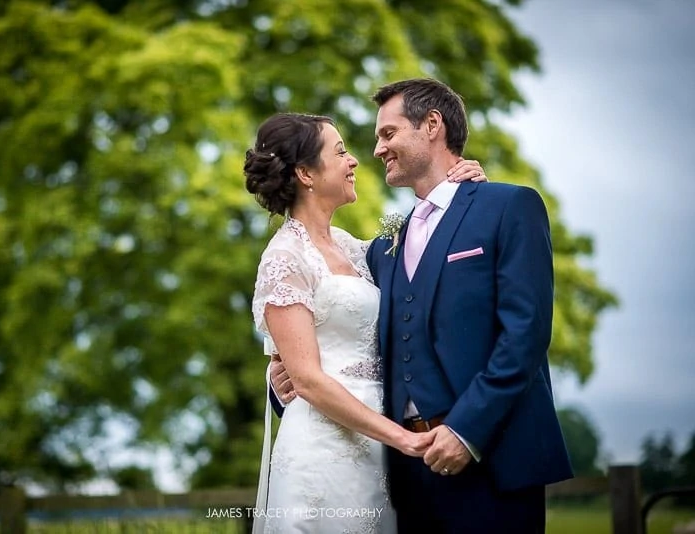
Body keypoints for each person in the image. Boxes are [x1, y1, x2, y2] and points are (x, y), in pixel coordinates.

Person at [270, 78, 574, 534]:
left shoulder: (508, 207)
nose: (376, 150)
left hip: (492, 461)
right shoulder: (379, 250)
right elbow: (333, 323)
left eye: (388, 133)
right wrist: (281, 377)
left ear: (432, 125)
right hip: (402, 476)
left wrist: (466, 431)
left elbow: (525, 336)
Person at [245, 112, 485, 533]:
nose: (355, 160)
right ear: (305, 173)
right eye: (339, 152)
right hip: (325, 450)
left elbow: (423, 244)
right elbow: (308, 380)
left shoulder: (357, 250)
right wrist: (403, 438)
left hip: (376, 454)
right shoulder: (283, 259)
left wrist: (455, 185)